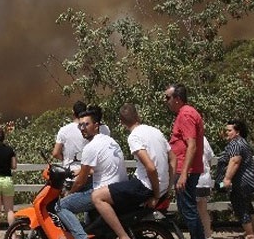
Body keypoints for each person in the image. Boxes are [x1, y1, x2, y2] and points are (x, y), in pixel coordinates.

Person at [91, 103, 176, 239]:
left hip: (146, 186)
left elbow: (151, 167)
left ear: (122, 121)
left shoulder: (134, 137)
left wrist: (156, 194)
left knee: (97, 197)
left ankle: (123, 236)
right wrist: (168, 187)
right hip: (161, 185)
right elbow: (173, 159)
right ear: (138, 115)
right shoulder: (156, 131)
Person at [56, 105, 127, 239]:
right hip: (117, 187)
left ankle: (81, 237)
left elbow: (80, 182)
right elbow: (99, 167)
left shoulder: (91, 147)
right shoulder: (110, 140)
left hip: (103, 191)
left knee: (61, 206)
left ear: (96, 125)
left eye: (86, 124)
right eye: (80, 125)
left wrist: (69, 194)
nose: (83, 128)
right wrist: (81, 171)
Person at [164, 83, 206, 239]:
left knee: (188, 210)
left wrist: (183, 174)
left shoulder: (186, 114)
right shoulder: (185, 113)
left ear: (177, 99)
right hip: (185, 169)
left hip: (185, 169)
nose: (165, 101)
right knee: (186, 209)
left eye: (167, 97)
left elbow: (192, 145)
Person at [218, 119, 254, 239]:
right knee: (248, 205)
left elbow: (235, 161)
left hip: (240, 182)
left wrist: (226, 179)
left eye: (229, 130)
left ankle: (250, 234)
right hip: (250, 181)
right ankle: (253, 231)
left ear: (237, 132)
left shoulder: (236, 144)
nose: (227, 132)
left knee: (240, 206)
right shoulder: (243, 142)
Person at [52, 101, 111, 172]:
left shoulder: (64, 130)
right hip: (91, 171)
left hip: (71, 172)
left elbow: (55, 153)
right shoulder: (103, 129)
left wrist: (66, 159)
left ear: (73, 113)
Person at [196, 136, 215, 239]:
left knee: (192, 211)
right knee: (203, 210)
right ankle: (208, 235)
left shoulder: (185, 138)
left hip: (194, 180)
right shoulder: (203, 138)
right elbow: (210, 158)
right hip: (205, 179)